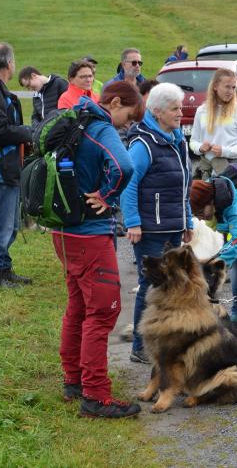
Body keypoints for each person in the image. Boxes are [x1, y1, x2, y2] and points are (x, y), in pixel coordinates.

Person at [51, 81, 144, 418]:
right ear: (115, 102)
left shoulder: (75, 119)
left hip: (63, 231)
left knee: (78, 306)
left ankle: (73, 380)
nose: (127, 125)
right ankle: (96, 395)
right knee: (102, 312)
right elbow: (125, 167)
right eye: (128, 116)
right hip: (90, 235)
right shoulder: (100, 126)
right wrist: (106, 195)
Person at [120, 82, 194, 363]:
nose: (180, 113)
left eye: (180, 107)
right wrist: (133, 222)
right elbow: (129, 184)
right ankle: (140, 346)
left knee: (168, 285)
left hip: (173, 226)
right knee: (149, 284)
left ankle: (161, 338)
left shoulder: (177, 139)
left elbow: (184, 184)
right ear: (158, 111)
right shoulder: (143, 143)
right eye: (175, 108)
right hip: (150, 229)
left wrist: (187, 220)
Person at [190, 175, 237, 331]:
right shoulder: (215, 196)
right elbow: (218, 229)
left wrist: (216, 262)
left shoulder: (234, 207)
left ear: (209, 202)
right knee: (236, 266)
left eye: (201, 211)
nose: (201, 216)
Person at [0, 42, 32, 288]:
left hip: (3, 167)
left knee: (9, 224)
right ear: (9, 63)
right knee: (2, 224)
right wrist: (27, 132)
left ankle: (2, 267)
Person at [190, 68, 237, 180]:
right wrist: (200, 147)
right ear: (215, 86)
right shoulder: (201, 111)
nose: (230, 91)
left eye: (233, 87)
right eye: (227, 86)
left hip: (231, 172)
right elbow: (193, 141)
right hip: (206, 172)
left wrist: (225, 151)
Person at [18, 66, 68, 131]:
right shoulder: (36, 96)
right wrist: (38, 128)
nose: (30, 89)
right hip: (46, 135)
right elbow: (35, 117)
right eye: (27, 88)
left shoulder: (59, 83)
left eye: (29, 85)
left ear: (34, 75)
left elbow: (69, 109)